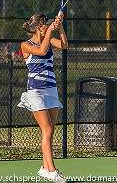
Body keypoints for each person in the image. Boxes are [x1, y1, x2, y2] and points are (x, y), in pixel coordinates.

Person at [18, 13, 68, 183]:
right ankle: (53, 171)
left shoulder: (48, 38)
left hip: (51, 91)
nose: (47, 25)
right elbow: (41, 51)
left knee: (49, 132)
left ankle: (44, 168)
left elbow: (63, 45)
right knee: (46, 130)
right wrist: (49, 32)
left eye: (47, 23)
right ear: (38, 27)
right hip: (36, 92)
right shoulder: (25, 45)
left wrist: (59, 27)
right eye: (44, 24)